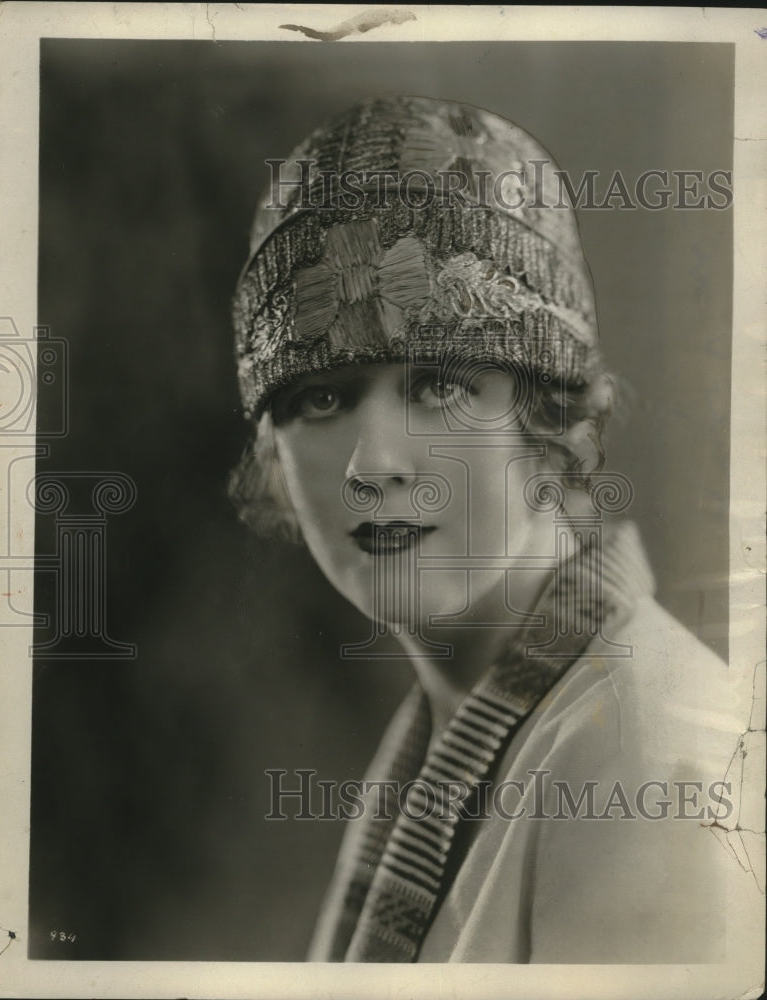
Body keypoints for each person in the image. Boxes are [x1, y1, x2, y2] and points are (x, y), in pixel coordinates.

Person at [228, 97, 742, 963]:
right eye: (321, 397)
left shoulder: (656, 766)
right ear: (273, 449)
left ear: (550, 419)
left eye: (440, 385)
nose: (372, 465)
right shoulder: (439, 740)